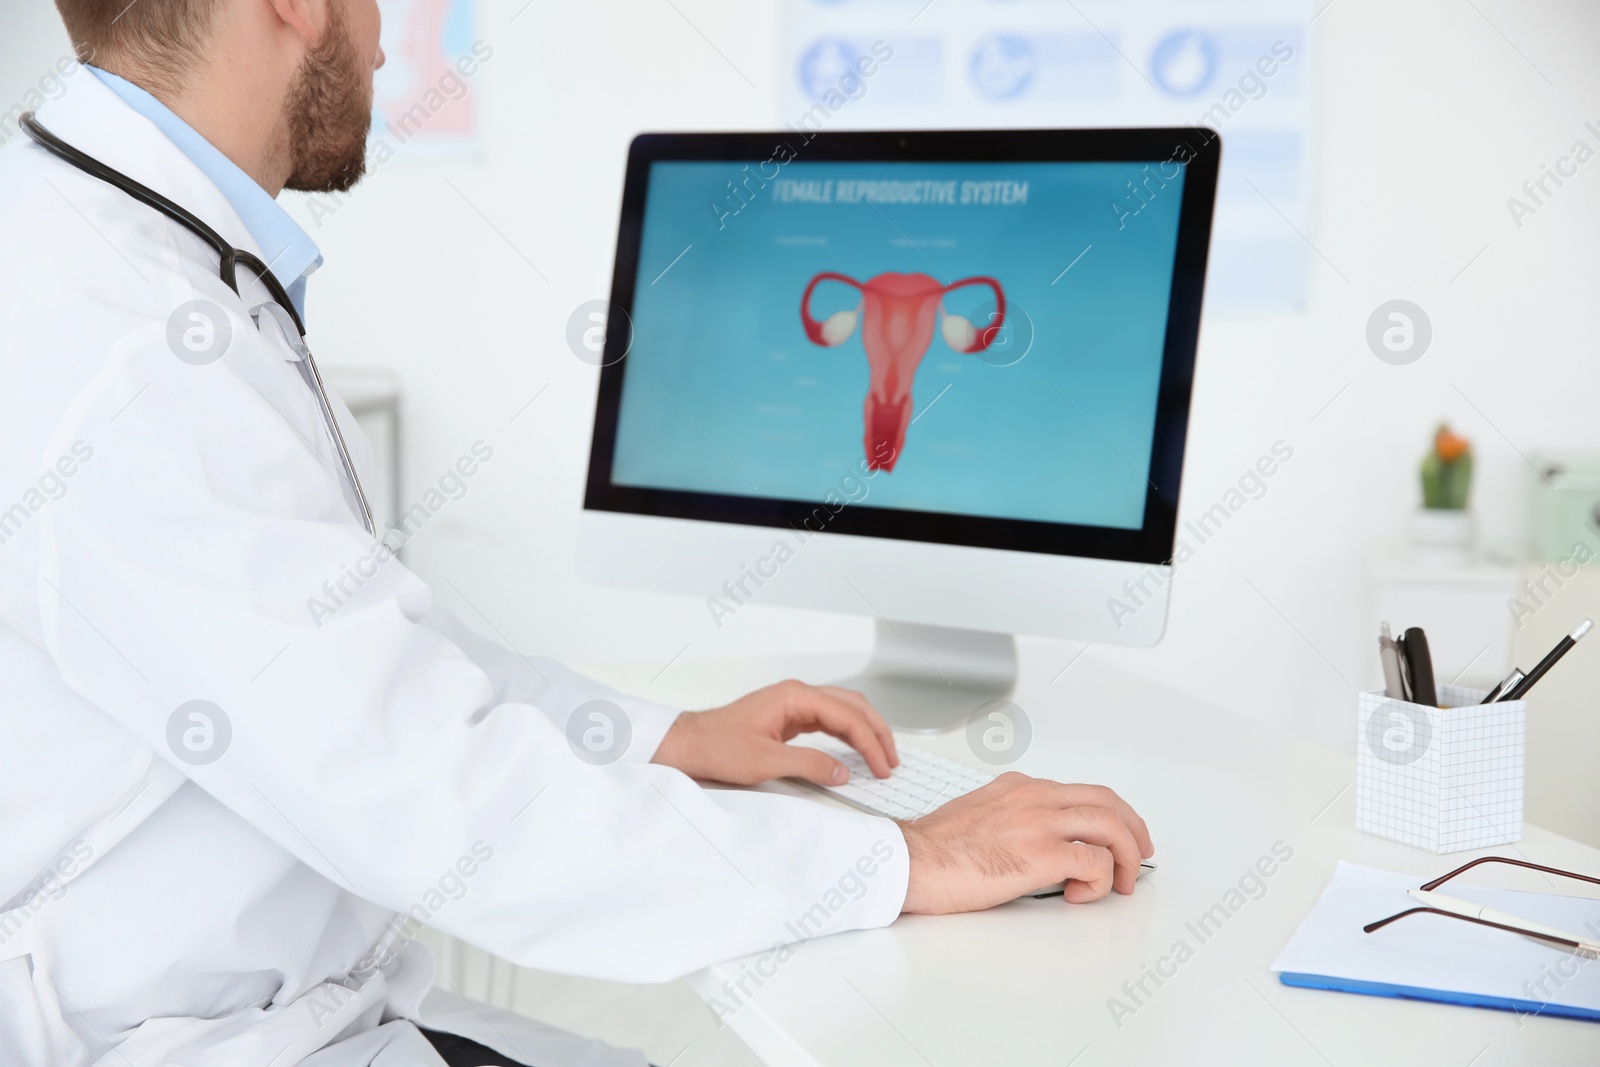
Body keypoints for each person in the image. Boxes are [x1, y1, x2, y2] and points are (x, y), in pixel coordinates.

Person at [0, 1, 1154, 1064]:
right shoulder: (137, 352)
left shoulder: (108, 255)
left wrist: (660, 733)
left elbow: (369, 661)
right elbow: (430, 787)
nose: (393, 31)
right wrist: (901, 857)